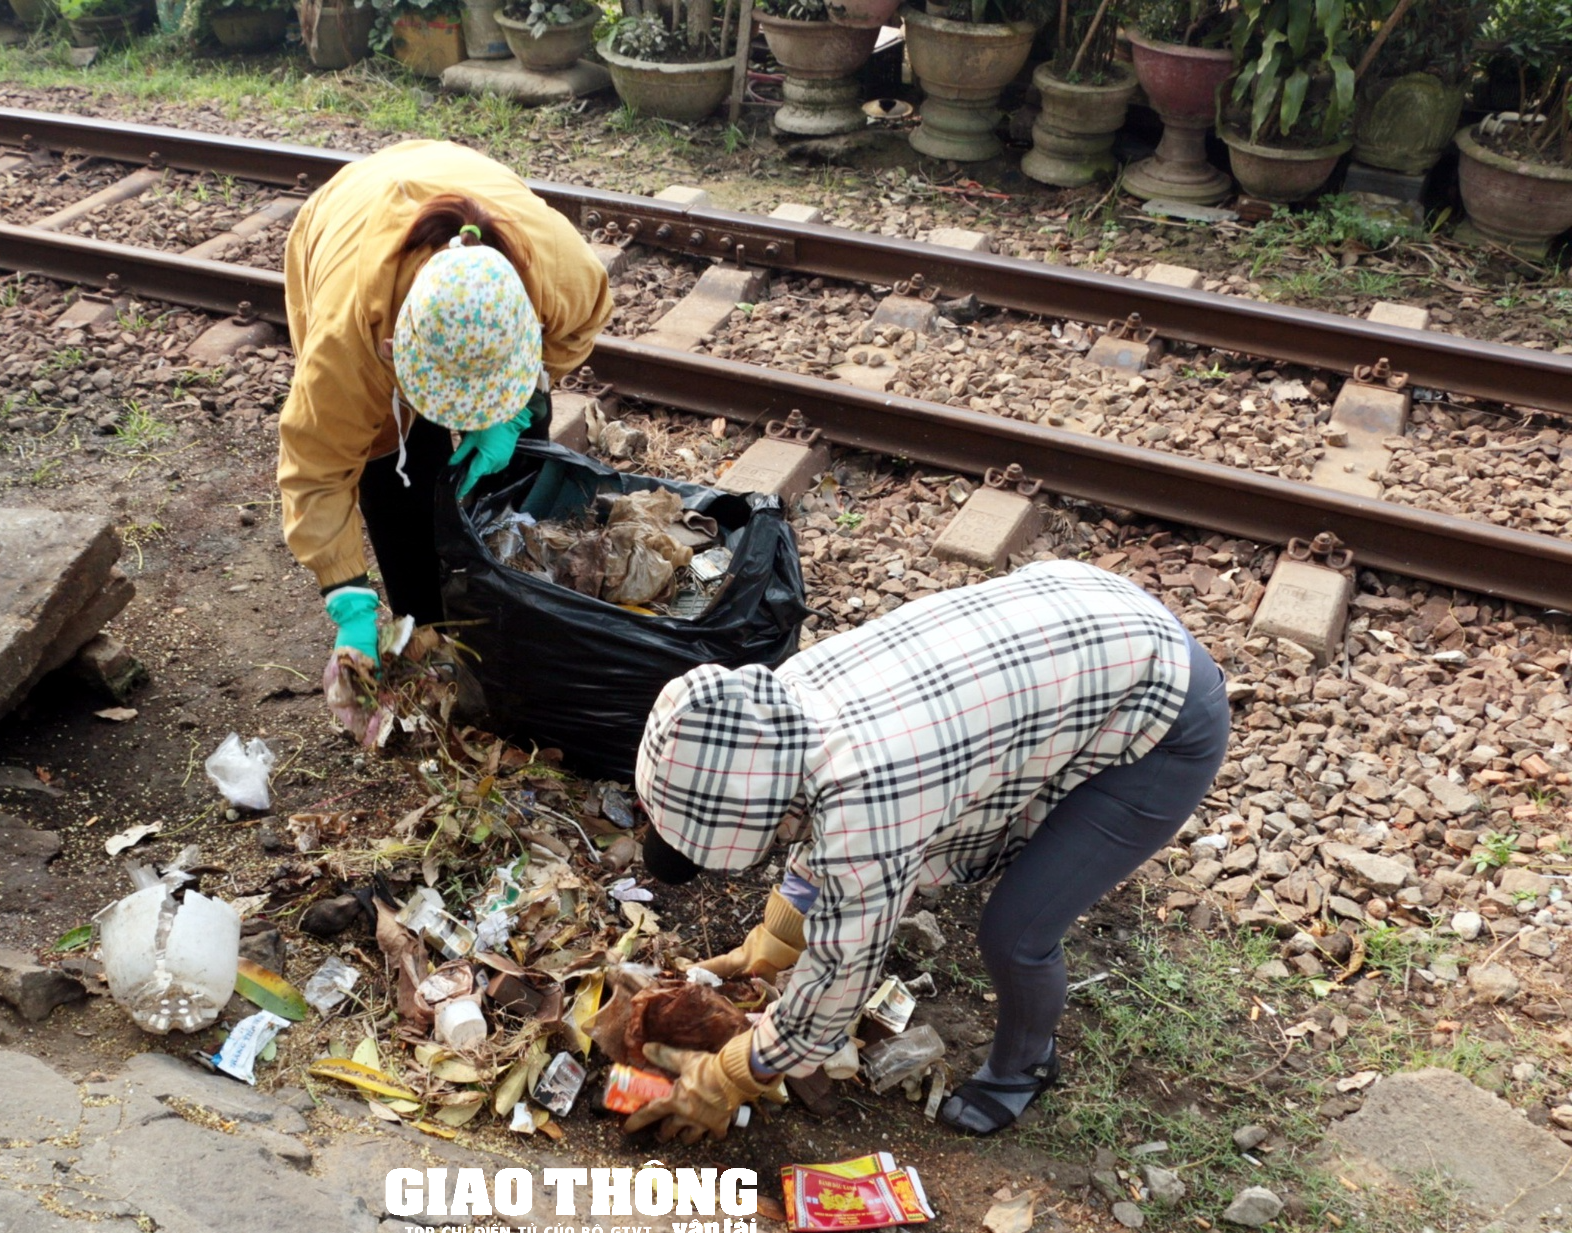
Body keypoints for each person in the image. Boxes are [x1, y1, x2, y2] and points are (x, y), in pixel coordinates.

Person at [626, 560, 1230, 1143]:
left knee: (1018, 932)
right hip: (1081, 625)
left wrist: (736, 1072)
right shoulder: (775, 704)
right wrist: (778, 938)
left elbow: (841, 977)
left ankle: (1024, 1068)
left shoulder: (871, 792)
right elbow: (815, 810)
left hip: (1165, 711)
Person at [277, 139, 614, 677]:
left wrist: (514, 413)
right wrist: (348, 598)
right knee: (393, 469)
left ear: (528, 323)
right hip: (346, 218)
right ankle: (431, 628)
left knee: (523, 444)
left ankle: (516, 577)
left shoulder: (558, 273)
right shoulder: (347, 347)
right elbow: (316, 472)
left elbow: (577, 332)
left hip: (449, 171)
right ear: (394, 349)